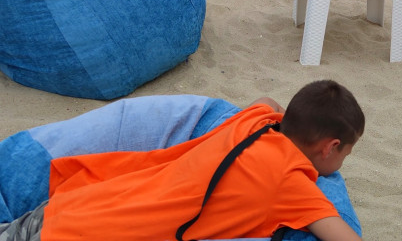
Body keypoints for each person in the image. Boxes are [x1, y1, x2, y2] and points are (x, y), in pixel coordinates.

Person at [0, 80, 365, 241]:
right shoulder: (294, 187)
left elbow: (267, 101)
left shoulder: (253, 122)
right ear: (330, 147)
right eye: (346, 154)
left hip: (74, 204)